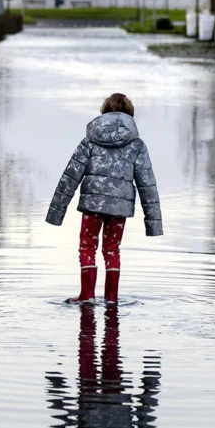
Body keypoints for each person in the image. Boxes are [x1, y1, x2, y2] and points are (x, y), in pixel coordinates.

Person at [46, 93, 163, 304]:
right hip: (120, 207)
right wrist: (154, 225)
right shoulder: (137, 145)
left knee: (87, 246)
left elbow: (69, 177)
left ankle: (87, 295)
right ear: (130, 115)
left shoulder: (89, 142)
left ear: (104, 112)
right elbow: (147, 185)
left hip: (93, 205)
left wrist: (56, 214)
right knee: (112, 249)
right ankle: (111, 298)